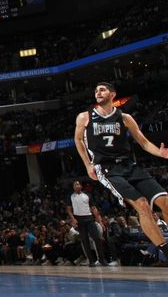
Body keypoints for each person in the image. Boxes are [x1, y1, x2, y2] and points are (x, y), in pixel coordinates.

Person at [74, 81, 168, 263]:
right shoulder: (84, 117)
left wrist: (160, 152)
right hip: (107, 168)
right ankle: (164, 250)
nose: (97, 92)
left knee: (165, 201)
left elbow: (144, 143)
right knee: (142, 205)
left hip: (129, 165)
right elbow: (78, 140)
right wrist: (88, 164)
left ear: (112, 94)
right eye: (96, 90)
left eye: (102, 89)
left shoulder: (124, 118)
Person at [66, 181, 109, 266]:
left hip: (89, 218)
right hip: (79, 219)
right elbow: (69, 209)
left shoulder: (87, 195)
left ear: (81, 186)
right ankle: (91, 261)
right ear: (73, 187)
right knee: (85, 241)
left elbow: (93, 208)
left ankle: (101, 259)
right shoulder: (70, 196)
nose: (77, 185)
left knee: (97, 238)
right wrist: (73, 219)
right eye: (75, 184)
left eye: (78, 184)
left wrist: (99, 221)